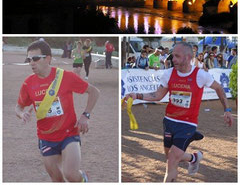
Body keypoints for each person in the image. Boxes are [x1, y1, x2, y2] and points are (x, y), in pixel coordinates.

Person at [125, 42, 233, 182]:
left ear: (188, 57)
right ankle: (193, 158)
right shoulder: (168, 73)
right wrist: (137, 95)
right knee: (169, 155)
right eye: (172, 55)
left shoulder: (200, 75)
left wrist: (227, 110)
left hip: (187, 123)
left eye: (177, 56)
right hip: (169, 121)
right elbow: (158, 95)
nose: (173, 59)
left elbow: (219, 88)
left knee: (171, 160)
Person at [15, 40, 100, 182]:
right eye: (29, 59)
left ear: (48, 59)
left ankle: (83, 179)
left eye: (35, 58)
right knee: (57, 179)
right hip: (46, 138)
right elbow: (18, 107)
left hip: (69, 133)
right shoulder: (28, 83)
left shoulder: (65, 77)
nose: (31, 63)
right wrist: (21, 114)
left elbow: (94, 92)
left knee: (71, 174)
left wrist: (86, 115)